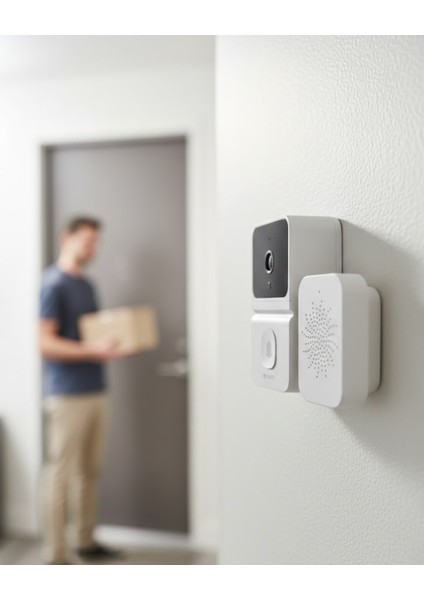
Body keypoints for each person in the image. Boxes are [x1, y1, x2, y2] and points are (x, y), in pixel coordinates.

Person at [39, 216, 121, 565]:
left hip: (95, 389)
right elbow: (45, 343)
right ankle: (55, 553)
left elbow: (90, 335)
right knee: (60, 473)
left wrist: (114, 344)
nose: (93, 248)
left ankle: (85, 541)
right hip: (67, 394)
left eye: (96, 241)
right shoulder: (52, 284)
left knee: (89, 471)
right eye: (87, 240)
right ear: (66, 238)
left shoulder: (86, 285)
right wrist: (93, 351)